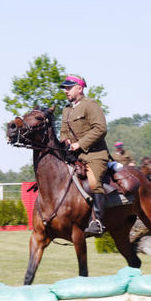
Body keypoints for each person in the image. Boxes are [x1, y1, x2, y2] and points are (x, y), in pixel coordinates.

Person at [58, 74, 109, 236]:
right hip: (74, 156)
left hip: (94, 155)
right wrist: (64, 140)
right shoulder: (66, 109)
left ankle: (97, 221)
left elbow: (100, 129)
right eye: (65, 88)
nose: (66, 91)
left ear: (79, 88)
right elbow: (63, 132)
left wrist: (79, 144)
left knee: (93, 182)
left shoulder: (90, 105)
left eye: (69, 88)